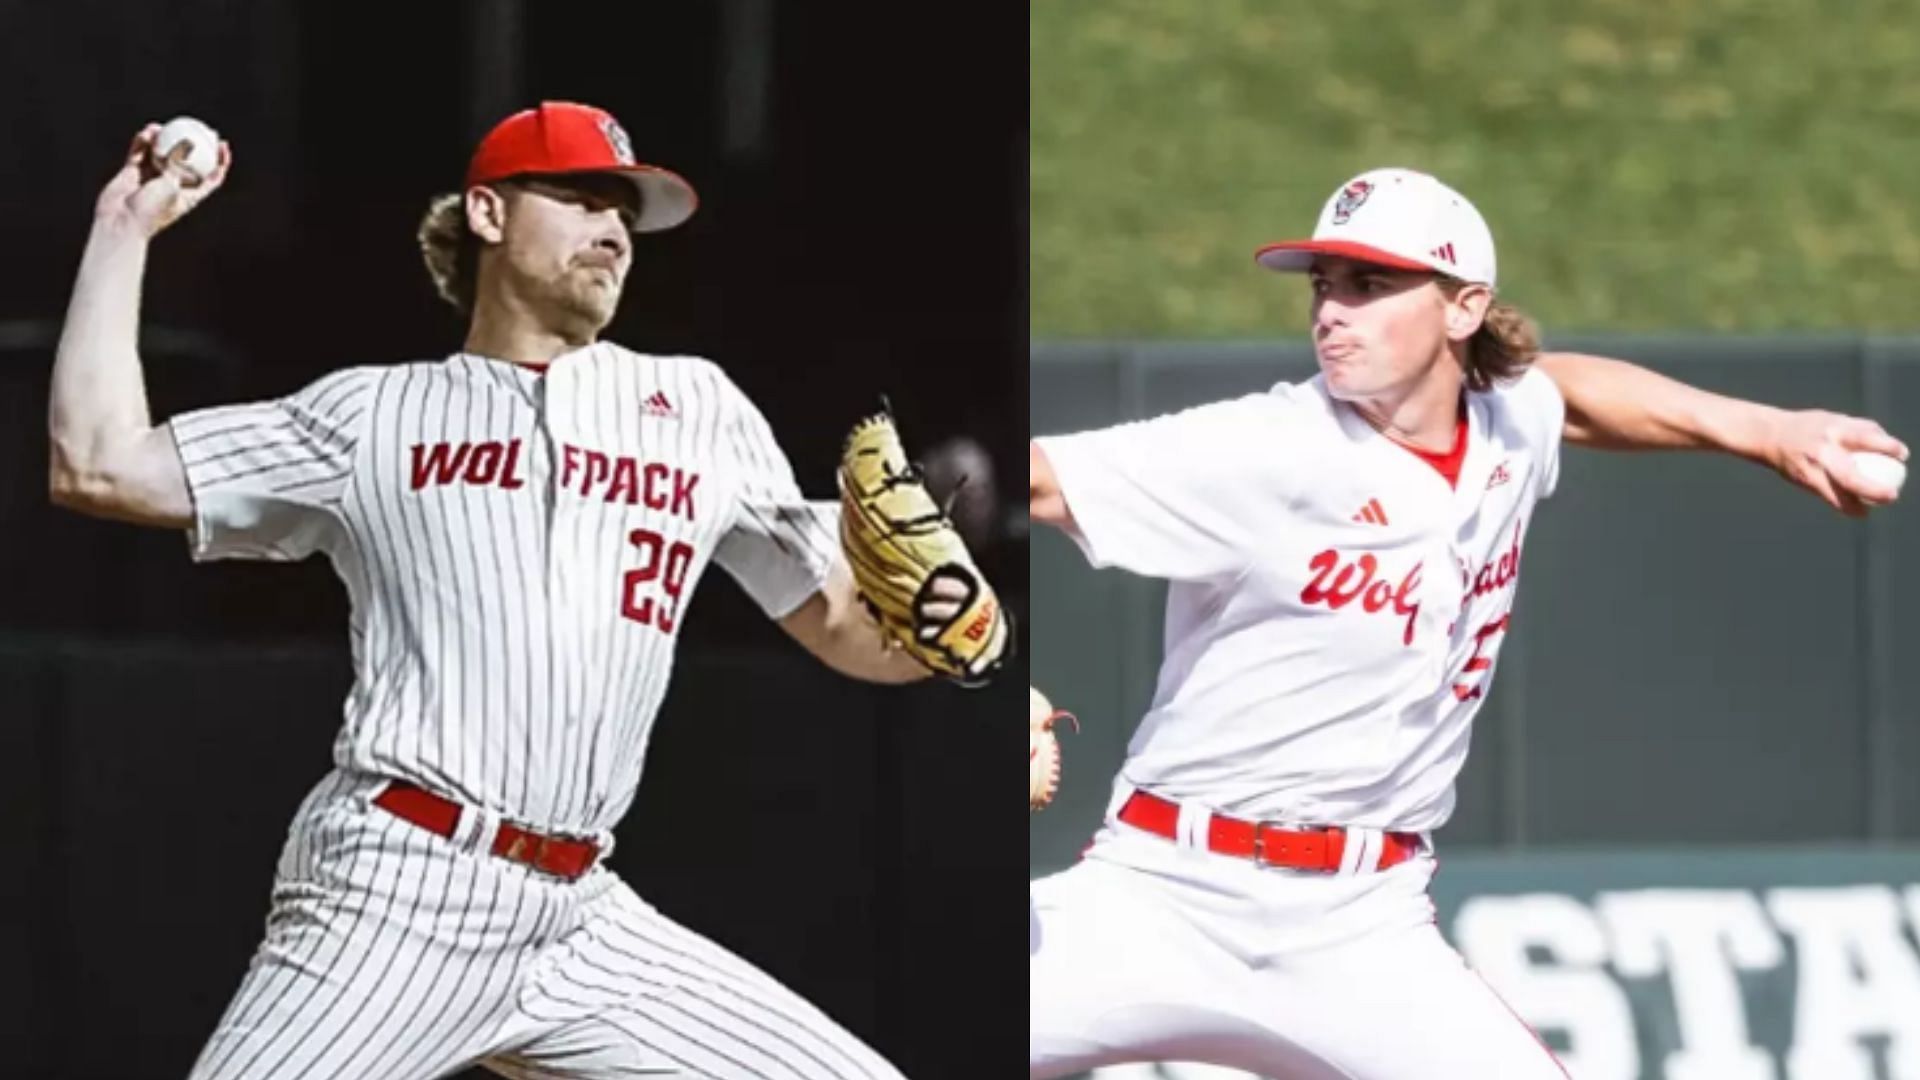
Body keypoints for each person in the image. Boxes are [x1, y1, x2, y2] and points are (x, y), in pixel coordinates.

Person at [49, 100, 1001, 1080]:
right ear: (490, 215)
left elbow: (846, 627)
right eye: (584, 199)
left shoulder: (701, 409)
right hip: (399, 892)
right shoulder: (372, 417)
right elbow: (97, 464)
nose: (614, 232)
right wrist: (124, 230)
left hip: (580, 919)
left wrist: (944, 620)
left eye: (626, 216)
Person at [1025, 167, 1906, 1079]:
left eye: (1370, 286)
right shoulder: (1266, 448)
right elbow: (1022, 477)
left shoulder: (1508, 426)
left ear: (1463, 308)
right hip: (1165, 894)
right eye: (1325, 286)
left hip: (1361, 928)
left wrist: (1766, 431)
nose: (1332, 312)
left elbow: (1568, 391)